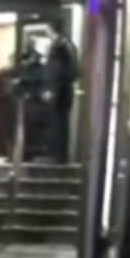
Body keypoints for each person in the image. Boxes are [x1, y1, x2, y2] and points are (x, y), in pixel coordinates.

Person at [43, 18, 79, 163]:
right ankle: (58, 155)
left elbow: (56, 70)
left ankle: (57, 156)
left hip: (60, 90)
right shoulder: (68, 45)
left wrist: (51, 89)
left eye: (47, 29)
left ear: (52, 29)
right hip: (63, 89)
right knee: (59, 122)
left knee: (58, 123)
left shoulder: (60, 46)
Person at [0, 54, 18, 158]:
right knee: (9, 127)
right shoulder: (13, 72)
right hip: (10, 102)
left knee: (5, 127)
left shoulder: (2, 71)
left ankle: (5, 150)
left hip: (5, 101)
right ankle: (8, 151)